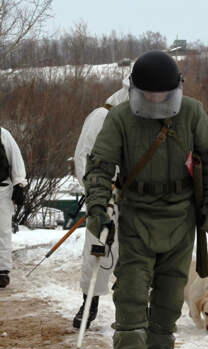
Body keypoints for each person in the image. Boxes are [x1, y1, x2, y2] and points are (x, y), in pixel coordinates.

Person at [83, 50, 208, 349]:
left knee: (171, 289)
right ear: (136, 90)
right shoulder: (120, 118)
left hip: (181, 216)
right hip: (136, 215)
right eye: (149, 94)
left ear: (175, 89)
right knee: (131, 286)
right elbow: (100, 166)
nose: (156, 100)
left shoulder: (192, 113)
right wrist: (97, 208)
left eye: (162, 94)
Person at [71, 77, 129, 330]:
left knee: (131, 255)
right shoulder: (101, 117)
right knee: (97, 249)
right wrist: (97, 194)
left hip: (132, 198)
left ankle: (128, 308)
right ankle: (89, 303)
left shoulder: (142, 119)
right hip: (104, 197)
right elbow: (83, 156)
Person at [0, 127, 27, 288]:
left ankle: (2, 270)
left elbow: (15, 158)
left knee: (2, 230)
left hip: (2, 189)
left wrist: (19, 184)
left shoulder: (3, 135)